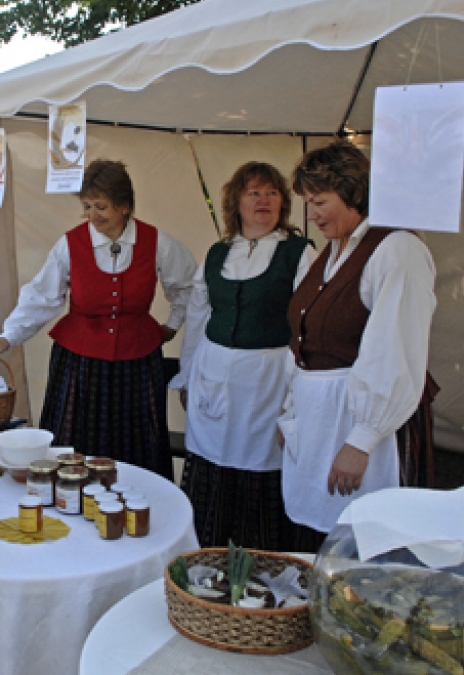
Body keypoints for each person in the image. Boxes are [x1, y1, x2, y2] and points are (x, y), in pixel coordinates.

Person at [0, 159, 196, 480]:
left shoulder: (157, 243)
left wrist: (172, 324)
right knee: (78, 441)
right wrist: (7, 337)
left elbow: (187, 285)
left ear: (124, 206)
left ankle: (135, 504)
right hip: (80, 364)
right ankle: (70, 502)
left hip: (138, 363)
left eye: (101, 206)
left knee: (138, 441)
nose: (92, 216)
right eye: (87, 206)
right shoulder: (70, 245)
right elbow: (42, 297)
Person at [279, 141, 437, 552]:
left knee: (368, 540)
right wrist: (291, 414)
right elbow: (303, 341)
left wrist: (363, 439)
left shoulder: (396, 249)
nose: (311, 214)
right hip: (320, 420)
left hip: (366, 422)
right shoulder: (332, 253)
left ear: (355, 193)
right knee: (320, 537)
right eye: (307, 203)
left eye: (320, 202)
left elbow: (395, 349)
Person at [170, 162, 316, 550]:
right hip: (214, 374)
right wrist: (186, 377)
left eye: (271, 193)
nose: (262, 200)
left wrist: (299, 395)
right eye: (253, 192)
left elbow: (309, 326)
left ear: (283, 202)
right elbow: (198, 319)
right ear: (237, 201)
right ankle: (209, 551)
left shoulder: (298, 254)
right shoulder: (218, 254)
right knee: (213, 463)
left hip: (268, 380)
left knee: (261, 460)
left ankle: (260, 558)